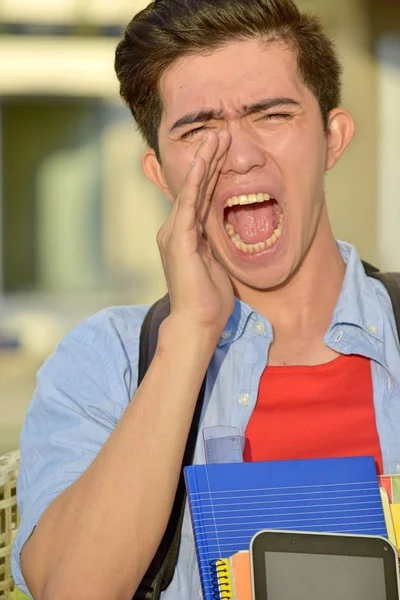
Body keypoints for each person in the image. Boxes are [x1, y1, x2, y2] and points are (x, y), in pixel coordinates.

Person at [11, 0, 400, 599]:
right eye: (198, 130)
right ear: (160, 172)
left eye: (270, 115)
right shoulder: (107, 362)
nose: (239, 158)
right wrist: (189, 333)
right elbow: (71, 590)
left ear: (332, 137)